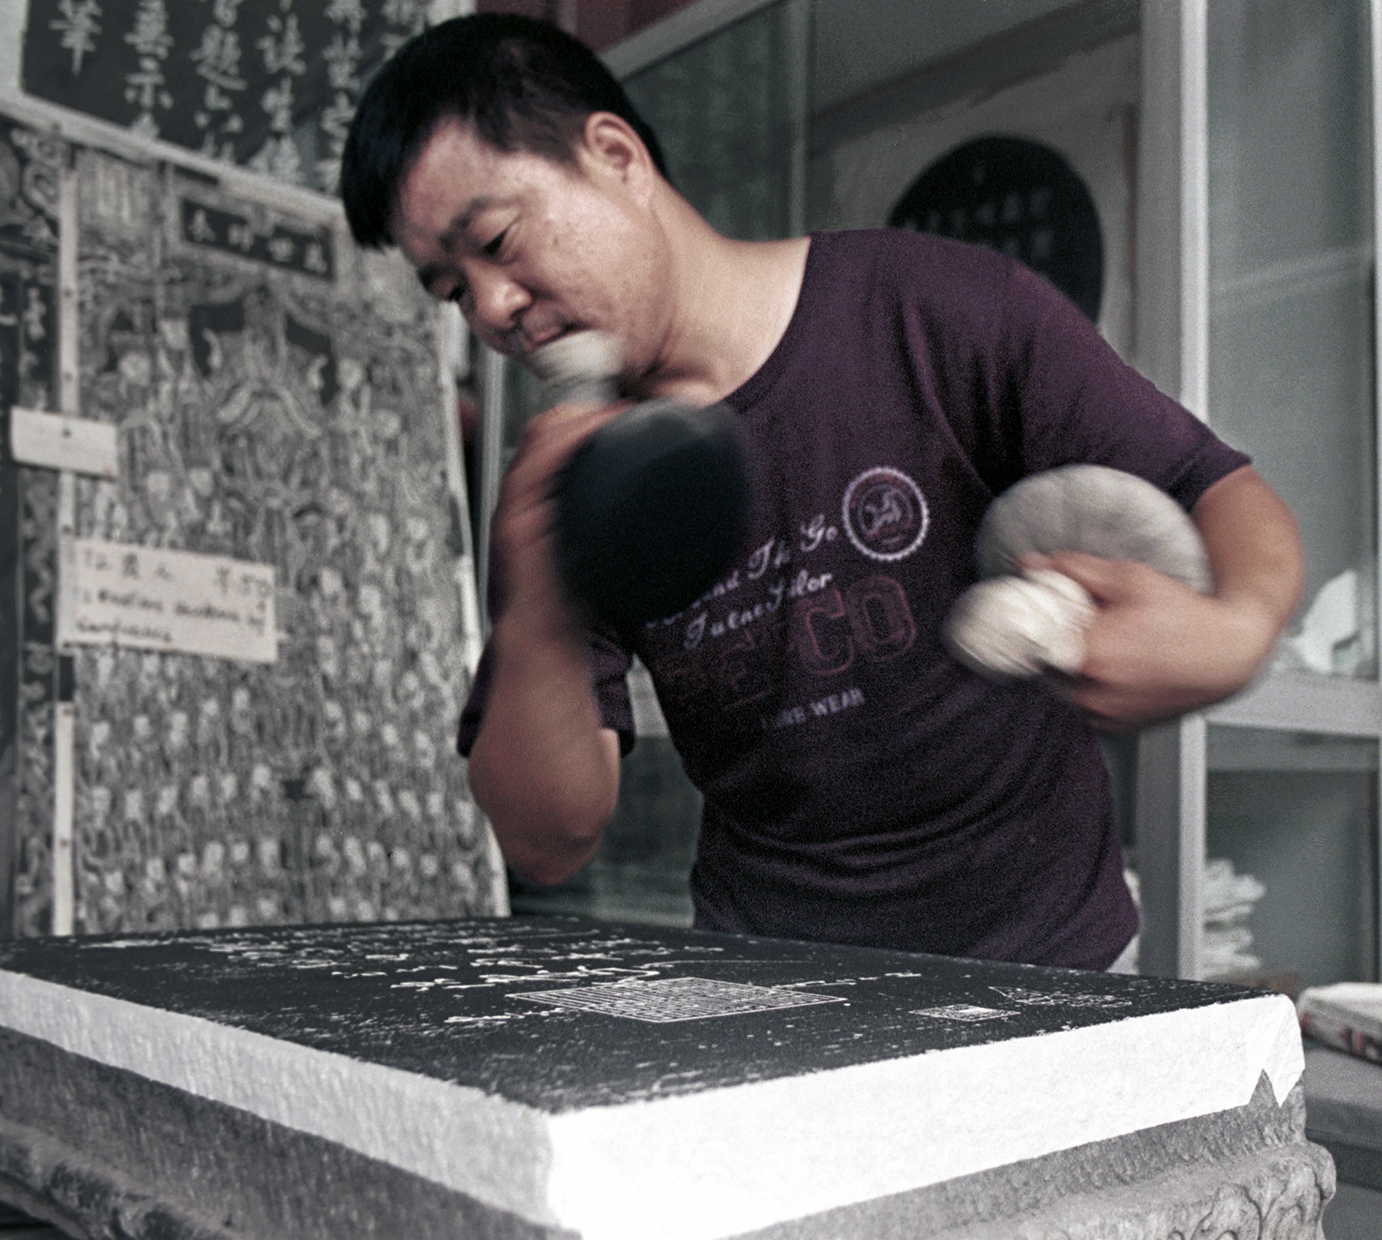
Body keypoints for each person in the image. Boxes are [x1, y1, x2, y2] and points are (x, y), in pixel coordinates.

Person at [340, 14, 1305, 971]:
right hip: (770, 992)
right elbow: (548, 839)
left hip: (1052, 966)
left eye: (499, 241)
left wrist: (1237, 630)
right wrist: (542, 597)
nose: (494, 307)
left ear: (614, 155)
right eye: (455, 291)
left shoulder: (933, 309)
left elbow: (1215, 488)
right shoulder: (572, 481)